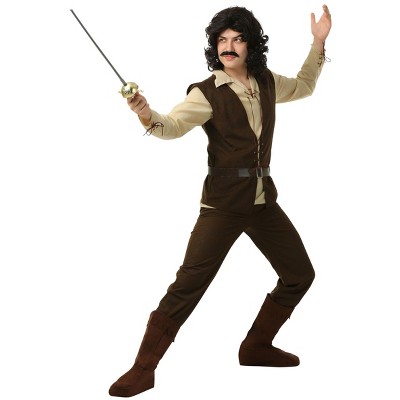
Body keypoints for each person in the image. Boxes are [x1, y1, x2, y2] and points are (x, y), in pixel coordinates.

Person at [109, 4, 332, 398]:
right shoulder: (206, 92)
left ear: (250, 45)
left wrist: (318, 43)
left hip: (262, 202)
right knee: (188, 284)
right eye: (222, 40)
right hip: (223, 204)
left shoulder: (265, 81)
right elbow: (170, 126)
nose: (228, 47)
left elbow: (304, 86)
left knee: (300, 274)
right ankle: (143, 369)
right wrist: (146, 114)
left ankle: (255, 347)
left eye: (237, 39)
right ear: (215, 46)